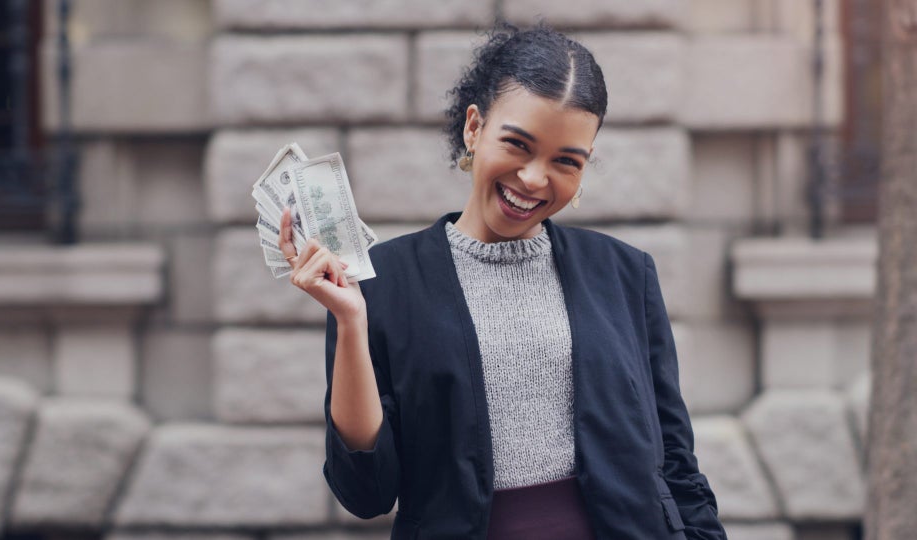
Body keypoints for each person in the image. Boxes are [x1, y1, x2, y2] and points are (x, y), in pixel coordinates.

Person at [278, 23, 727, 540]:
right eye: (517, 144)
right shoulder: (380, 284)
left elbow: (676, 464)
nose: (534, 179)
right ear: (474, 128)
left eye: (566, 161)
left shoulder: (626, 275)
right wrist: (351, 321)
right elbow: (366, 493)